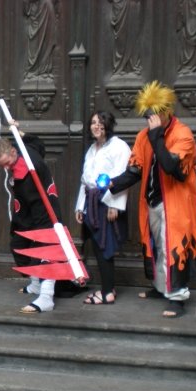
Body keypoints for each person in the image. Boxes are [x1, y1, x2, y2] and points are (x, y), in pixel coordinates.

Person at [109, 80, 196, 318]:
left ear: (166, 113)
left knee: (174, 246)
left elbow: (170, 166)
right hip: (152, 202)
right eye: (147, 116)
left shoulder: (182, 134)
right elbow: (135, 169)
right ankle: (161, 287)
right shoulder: (145, 135)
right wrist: (111, 186)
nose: (149, 121)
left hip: (175, 204)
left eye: (153, 116)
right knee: (157, 246)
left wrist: (156, 137)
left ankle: (177, 297)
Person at [0, 131, 61, 313]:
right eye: (2, 165)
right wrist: (21, 132)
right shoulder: (26, 149)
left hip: (44, 212)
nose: (6, 168)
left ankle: (46, 297)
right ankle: (36, 283)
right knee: (18, 244)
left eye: (7, 163)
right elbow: (37, 141)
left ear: (13, 152)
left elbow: (37, 204)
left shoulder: (28, 172)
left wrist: (39, 231)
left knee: (46, 250)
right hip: (27, 211)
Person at [74, 111, 131, 305]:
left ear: (109, 124)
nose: (96, 126)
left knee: (105, 247)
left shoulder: (119, 146)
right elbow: (85, 180)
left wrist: (114, 205)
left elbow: (122, 177)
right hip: (91, 203)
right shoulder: (92, 149)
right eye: (93, 122)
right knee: (98, 247)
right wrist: (80, 207)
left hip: (107, 202)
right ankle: (109, 288)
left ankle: (107, 293)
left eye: (100, 122)